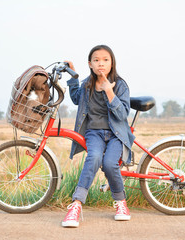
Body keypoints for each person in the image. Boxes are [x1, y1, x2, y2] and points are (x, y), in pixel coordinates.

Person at [62, 45, 135, 228]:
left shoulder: (120, 85)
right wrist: (73, 77)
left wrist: (109, 91)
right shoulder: (87, 84)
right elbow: (76, 99)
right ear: (90, 64)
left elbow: (123, 114)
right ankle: (76, 205)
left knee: (110, 164)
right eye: (96, 60)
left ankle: (121, 203)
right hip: (93, 132)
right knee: (93, 157)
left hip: (116, 134)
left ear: (112, 63)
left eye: (105, 60)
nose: (100, 64)